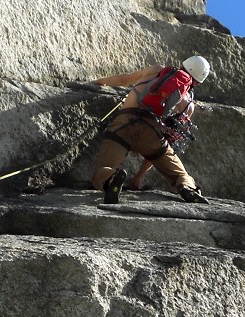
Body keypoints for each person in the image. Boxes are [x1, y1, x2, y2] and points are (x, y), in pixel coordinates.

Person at [90, 55, 211, 205]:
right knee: (180, 174)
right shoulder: (188, 105)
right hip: (152, 133)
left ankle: (111, 177)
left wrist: (97, 82)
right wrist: (138, 177)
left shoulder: (157, 70)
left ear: (183, 64)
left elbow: (125, 80)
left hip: (124, 124)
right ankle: (186, 187)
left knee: (101, 171)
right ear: (197, 83)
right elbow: (166, 141)